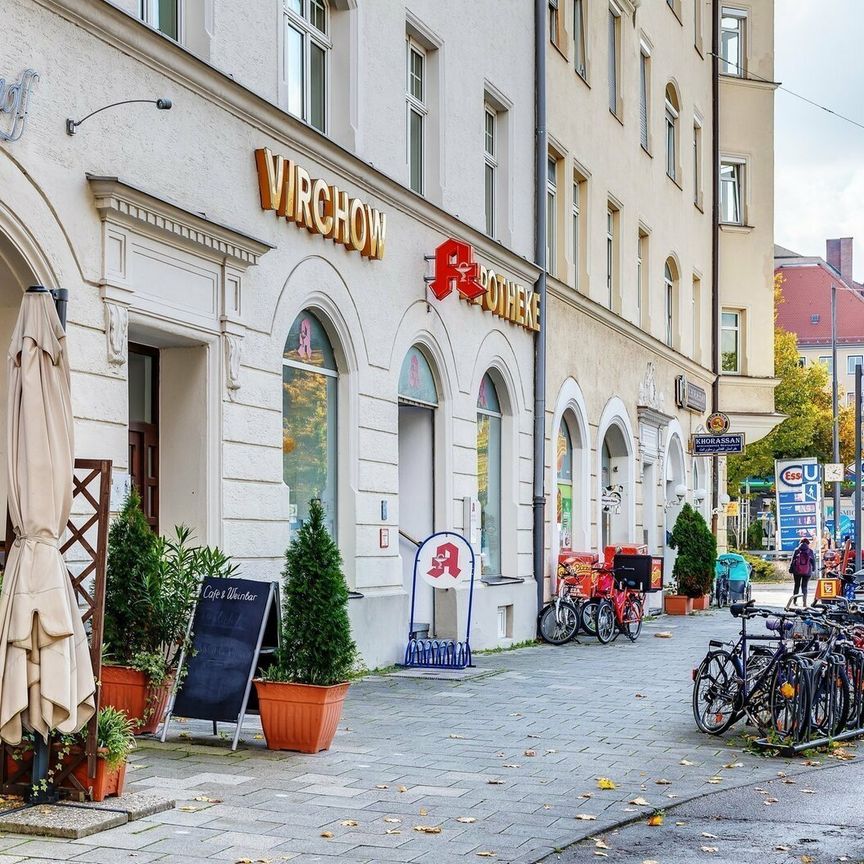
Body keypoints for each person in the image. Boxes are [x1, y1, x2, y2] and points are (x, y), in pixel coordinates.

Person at [789, 537, 816, 605]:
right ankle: (804, 602)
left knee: (797, 585)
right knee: (804, 586)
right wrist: (813, 569)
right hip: (807, 571)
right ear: (808, 543)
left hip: (797, 571)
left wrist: (791, 570)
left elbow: (792, 561)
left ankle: (794, 602)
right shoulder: (810, 551)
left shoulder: (796, 550)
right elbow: (813, 562)